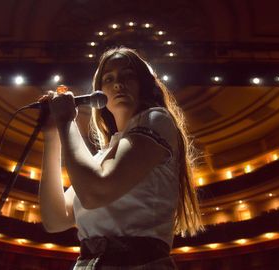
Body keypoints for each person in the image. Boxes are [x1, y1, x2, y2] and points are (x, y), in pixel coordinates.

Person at [38, 47, 203, 269]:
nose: (118, 84)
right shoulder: (101, 156)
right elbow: (55, 219)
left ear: (144, 84)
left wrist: (67, 122)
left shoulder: (157, 119)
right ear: (99, 93)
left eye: (128, 76)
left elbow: (96, 192)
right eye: (109, 78)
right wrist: (52, 135)